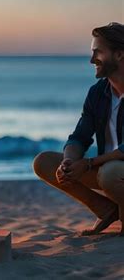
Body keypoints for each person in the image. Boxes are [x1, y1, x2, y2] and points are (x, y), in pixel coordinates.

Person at [33, 22, 124, 236]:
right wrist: (69, 161)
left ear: (119, 55)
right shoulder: (97, 93)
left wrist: (89, 163)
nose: (92, 60)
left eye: (98, 53)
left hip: (113, 173)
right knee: (44, 162)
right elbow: (80, 137)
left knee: (110, 173)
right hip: (108, 173)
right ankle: (106, 210)